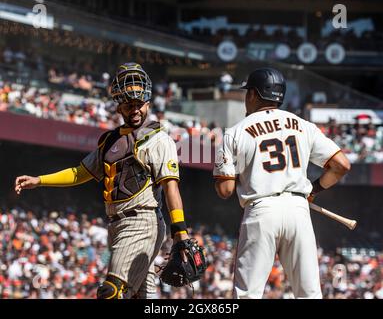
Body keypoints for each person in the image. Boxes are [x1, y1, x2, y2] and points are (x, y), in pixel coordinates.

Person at [14, 62, 190, 299]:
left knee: (111, 292)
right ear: (119, 107)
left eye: (139, 104)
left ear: (148, 102)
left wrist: (180, 232)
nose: (135, 110)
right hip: (116, 225)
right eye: (128, 105)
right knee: (141, 297)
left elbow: (171, 186)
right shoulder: (109, 140)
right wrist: (39, 180)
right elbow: (80, 172)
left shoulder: (159, 139)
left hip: (142, 221)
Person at [213, 67, 351, 299]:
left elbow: (225, 190)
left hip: (261, 210)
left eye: (248, 93)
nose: (246, 98)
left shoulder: (235, 133)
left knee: (248, 295)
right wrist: (313, 190)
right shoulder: (303, 125)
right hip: (298, 210)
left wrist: (243, 173)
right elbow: (341, 165)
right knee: (309, 294)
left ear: (254, 95)